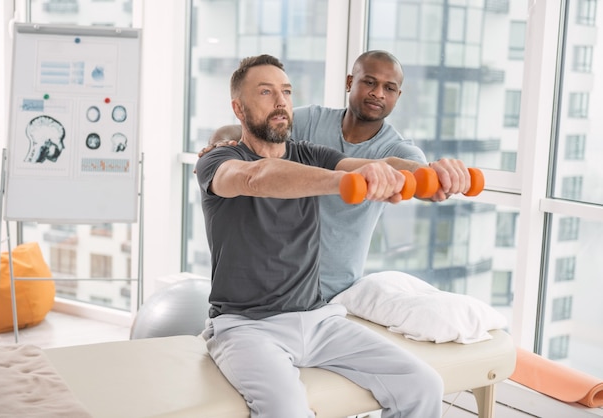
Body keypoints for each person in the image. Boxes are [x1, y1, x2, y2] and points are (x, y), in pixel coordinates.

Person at [195, 54, 443, 418]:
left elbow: (386, 165)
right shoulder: (217, 161)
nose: (280, 101)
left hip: (318, 319)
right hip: (246, 327)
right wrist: (342, 182)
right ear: (239, 107)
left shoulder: (311, 154)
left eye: (286, 91)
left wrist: (431, 172)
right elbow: (257, 178)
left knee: (423, 385)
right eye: (265, 92)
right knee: (289, 411)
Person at [203, 50, 471, 300]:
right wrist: (219, 147)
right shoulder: (310, 121)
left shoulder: (395, 148)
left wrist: (437, 175)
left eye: (389, 88)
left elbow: (407, 172)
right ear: (349, 82)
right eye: (369, 82)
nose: (378, 93)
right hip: (276, 283)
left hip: (335, 290)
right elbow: (254, 126)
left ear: (397, 96)